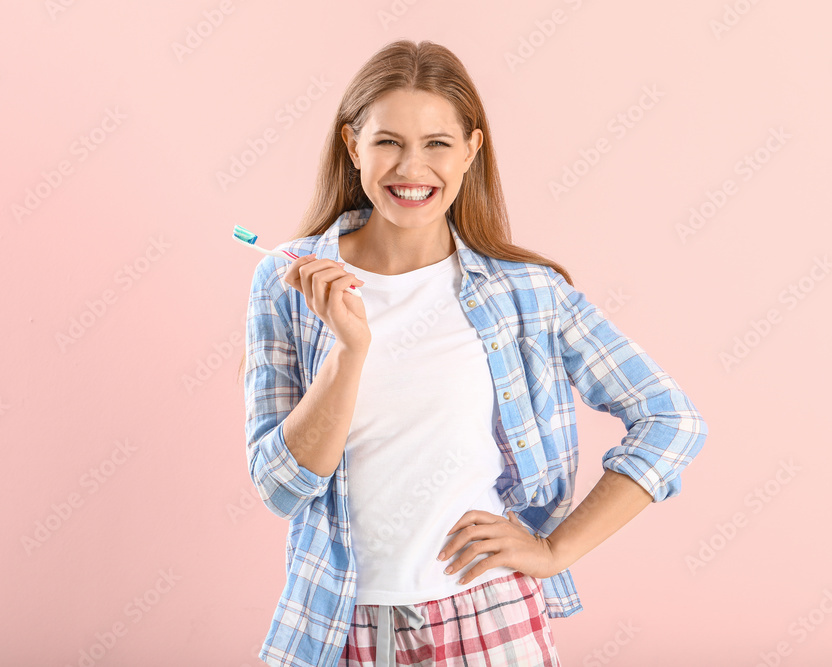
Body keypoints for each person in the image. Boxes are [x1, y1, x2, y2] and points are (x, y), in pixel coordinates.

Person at [239, 39, 708, 667]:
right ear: (354, 148)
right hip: (335, 624)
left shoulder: (527, 294)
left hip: (491, 621)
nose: (412, 168)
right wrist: (349, 351)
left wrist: (553, 551)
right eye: (387, 142)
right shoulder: (287, 282)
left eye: (437, 143)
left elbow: (669, 420)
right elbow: (282, 489)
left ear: (471, 151)